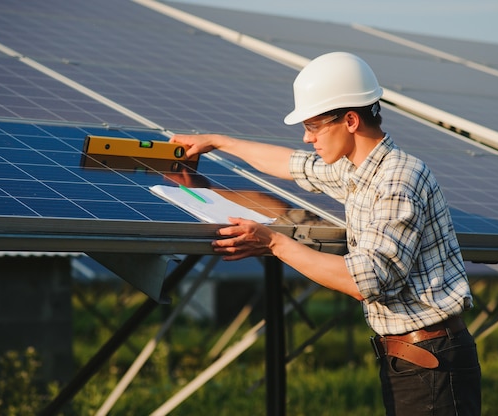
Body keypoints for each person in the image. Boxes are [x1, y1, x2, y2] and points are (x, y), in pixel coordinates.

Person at [170, 51, 481, 415]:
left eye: (314, 126)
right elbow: (290, 165)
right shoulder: (358, 172)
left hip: (432, 362)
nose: (306, 138)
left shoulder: (398, 179)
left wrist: (273, 243)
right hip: (414, 357)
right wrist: (220, 142)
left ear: (350, 120)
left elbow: (367, 279)